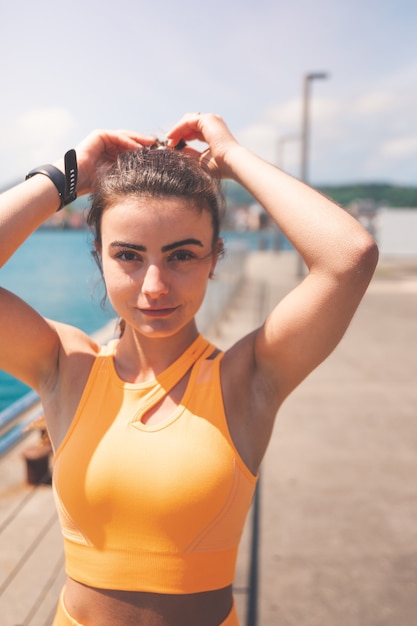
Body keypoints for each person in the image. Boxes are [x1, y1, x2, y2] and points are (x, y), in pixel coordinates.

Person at [0, 112, 378, 626]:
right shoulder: (67, 366)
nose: (154, 286)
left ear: (215, 258)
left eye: (181, 255)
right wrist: (68, 175)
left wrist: (231, 158)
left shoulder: (247, 379)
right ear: (100, 258)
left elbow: (349, 257)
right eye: (129, 256)